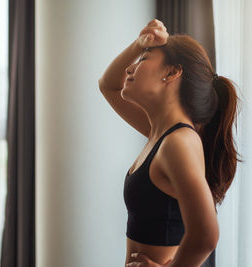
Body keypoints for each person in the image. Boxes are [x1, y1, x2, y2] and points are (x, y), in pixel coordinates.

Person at [98, 19, 242, 266]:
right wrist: (139, 45)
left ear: (172, 72)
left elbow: (206, 235)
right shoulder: (161, 134)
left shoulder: (177, 142)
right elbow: (108, 85)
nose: (130, 69)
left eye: (143, 60)